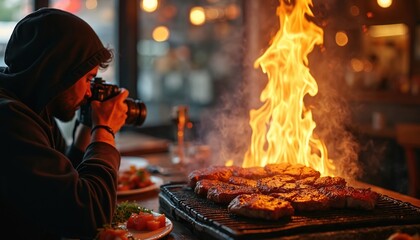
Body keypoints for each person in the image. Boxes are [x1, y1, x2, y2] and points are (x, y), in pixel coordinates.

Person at [0, 8, 129, 239]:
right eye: (88, 79)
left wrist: (86, 127)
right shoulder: (9, 119)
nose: (90, 93)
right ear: (59, 72)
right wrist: (104, 130)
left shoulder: (32, 106)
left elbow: (61, 184)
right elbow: (90, 216)